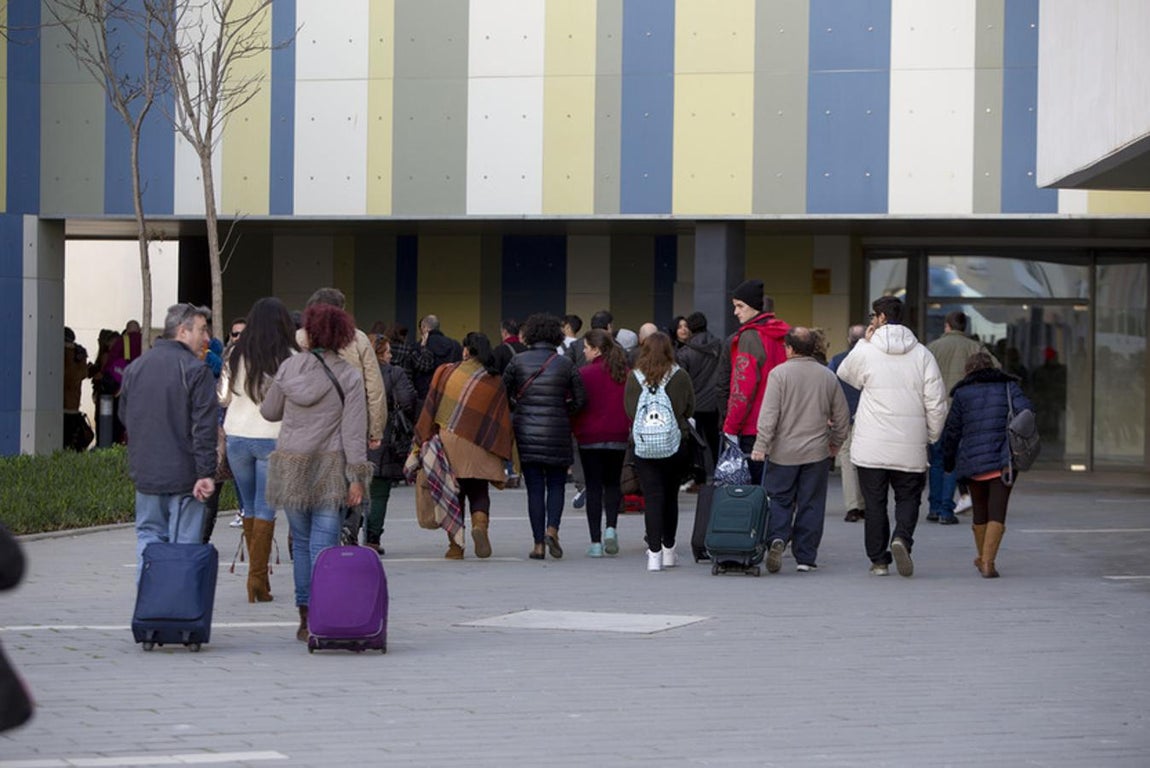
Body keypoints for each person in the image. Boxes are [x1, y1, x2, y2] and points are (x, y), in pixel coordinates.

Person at [261, 303, 373, 642]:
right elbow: (354, 432)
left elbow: (269, 411)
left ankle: (304, 618)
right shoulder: (349, 376)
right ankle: (323, 616)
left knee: (302, 545)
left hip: (291, 467)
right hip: (330, 469)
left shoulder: (289, 367)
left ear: (308, 333)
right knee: (324, 548)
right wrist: (357, 478)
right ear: (342, 336)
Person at [836, 296, 948, 578]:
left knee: (874, 504)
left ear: (882, 317)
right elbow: (936, 402)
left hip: (871, 445)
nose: (871, 320)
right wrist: (931, 435)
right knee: (908, 498)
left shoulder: (868, 351)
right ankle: (902, 539)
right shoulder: (922, 354)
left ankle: (878, 560)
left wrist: (863, 342)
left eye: (873, 315)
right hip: (910, 444)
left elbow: (845, 373)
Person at [119, 304, 218, 575]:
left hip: (146, 474)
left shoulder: (135, 369)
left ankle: (149, 601)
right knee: (184, 545)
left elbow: (125, 416)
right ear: (183, 332)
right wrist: (206, 473)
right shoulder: (196, 371)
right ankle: (177, 606)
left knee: (148, 539)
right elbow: (204, 428)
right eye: (202, 330)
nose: (207, 338)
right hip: (185, 478)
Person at [218, 297, 299, 602]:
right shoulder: (290, 356)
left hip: (237, 436)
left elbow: (223, 397)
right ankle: (257, 581)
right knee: (266, 509)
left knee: (248, 508)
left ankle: (257, 580)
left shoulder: (235, 354)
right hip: (272, 437)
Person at [751, 327, 850, 573]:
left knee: (780, 499)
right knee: (811, 503)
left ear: (790, 348)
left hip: (783, 452)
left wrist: (761, 445)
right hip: (817, 452)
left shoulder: (779, 374)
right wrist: (835, 443)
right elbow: (842, 415)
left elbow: (769, 415)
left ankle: (777, 538)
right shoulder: (827, 376)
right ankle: (805, 557)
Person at [296, 288, 385, 544]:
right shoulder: (358, 339)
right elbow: (374, 387)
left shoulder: (300, 338)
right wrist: (375, 429)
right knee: (353, 478)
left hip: (307, 424)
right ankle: (347, 528)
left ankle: (301, 533)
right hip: (350, 423)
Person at [415, 332, 514, 559]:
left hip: (450, 442)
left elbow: (431, 405)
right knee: (479, 490)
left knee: (453, 492)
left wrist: (422, 437)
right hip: (482, 443)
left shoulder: (446, 371)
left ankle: (456, 547)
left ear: (467, 350)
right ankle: (480, 526)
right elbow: (501, 419)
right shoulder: (495, 379)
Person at [943, 351, 1035, 578]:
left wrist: (948, 459)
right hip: (1004, 460)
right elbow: (1027, 412)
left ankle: (983, 558)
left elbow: (952, 430)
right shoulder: (1008, 387)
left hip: (973, 461)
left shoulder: (963, 393)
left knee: (980, 510)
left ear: (968, 371)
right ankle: (988, 562)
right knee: (998, 510)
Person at [503, 313, 586, 560]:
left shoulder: (517, 362)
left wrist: (520, 408)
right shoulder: (565, 364)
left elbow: (504, 394)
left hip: (527, 432)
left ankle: (538, 544)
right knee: (557, 484)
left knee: (535, 489)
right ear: (556, 335)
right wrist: (563, 411)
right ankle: (553, 529)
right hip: (558, 430)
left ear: (529, 335)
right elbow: (581, 399)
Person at [624, 332, 694, 572]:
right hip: (675, 444)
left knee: (652, 498)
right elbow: (689, 407)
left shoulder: (635, 377)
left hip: (644, 446)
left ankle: (653, 555)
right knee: (670, 496)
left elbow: (630, 411)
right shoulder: (680, 375)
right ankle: (668, 550)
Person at [926, 311, 992, 525]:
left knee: (935, 461)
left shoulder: (932, 348)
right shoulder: (975, 347)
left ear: (947, 325)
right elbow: (995, 368)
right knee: (951, 462)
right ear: (964, 327)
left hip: (935, 411)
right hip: (963, 413)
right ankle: (947, 510)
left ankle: (934, 508)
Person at [723, 279, 790, 485]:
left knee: (753, 495)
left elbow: (743, 388)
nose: (736, 312)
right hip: (785, 424)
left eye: (740, 306)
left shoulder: (750, 337)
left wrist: (730, 427)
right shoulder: (784, 334)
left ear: (753, 306)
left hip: (754, 426)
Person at [572, 329, 630, 557]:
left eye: (586, 347)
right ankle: (611, 528)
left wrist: (575, 430)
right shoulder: (625, 373)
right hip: (618, 435)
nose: (584, 351)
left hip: (589, 437)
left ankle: (595, 542)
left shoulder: (583, 374)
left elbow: (576, 406)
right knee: (613, 484)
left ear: (596, 349)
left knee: (594, 487)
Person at [365, 334, 417, 555]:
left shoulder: (355, 371)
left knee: (353, 488)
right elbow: (407, 401)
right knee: (378, 491)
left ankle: (348, 531)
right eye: (388, 352)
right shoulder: (394, 373)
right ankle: (372, 538)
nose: (391, 355)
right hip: (385, 437)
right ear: (380, 354)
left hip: (355, 437)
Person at [676, 311, 723, 480]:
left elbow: (681, 381)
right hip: (715, 403)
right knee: (715, 442)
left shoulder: (685, 353)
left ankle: (699, 478)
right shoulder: (719, 346)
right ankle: (721, 475)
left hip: (694, 405)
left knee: (695, 444)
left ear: (689, 328)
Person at [829, 324, 867, 522]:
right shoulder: (872, 359)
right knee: (868, 461)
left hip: (844, 416)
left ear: (848, 339)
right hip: (869, 417)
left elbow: (830, 388)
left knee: (847, 460)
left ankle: (853, 506)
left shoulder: (837, 360)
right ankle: (866, 504)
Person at [411, 314, 463, 404]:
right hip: (449, 394)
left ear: (424, 328)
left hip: (425, 397)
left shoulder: (418, 347)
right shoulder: (455, 345)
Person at [63, 327, 91, 452]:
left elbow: (66, 376)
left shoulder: (59, 351)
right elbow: (83, 374)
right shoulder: (79, 353)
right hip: (73, 405)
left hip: (61, 407)